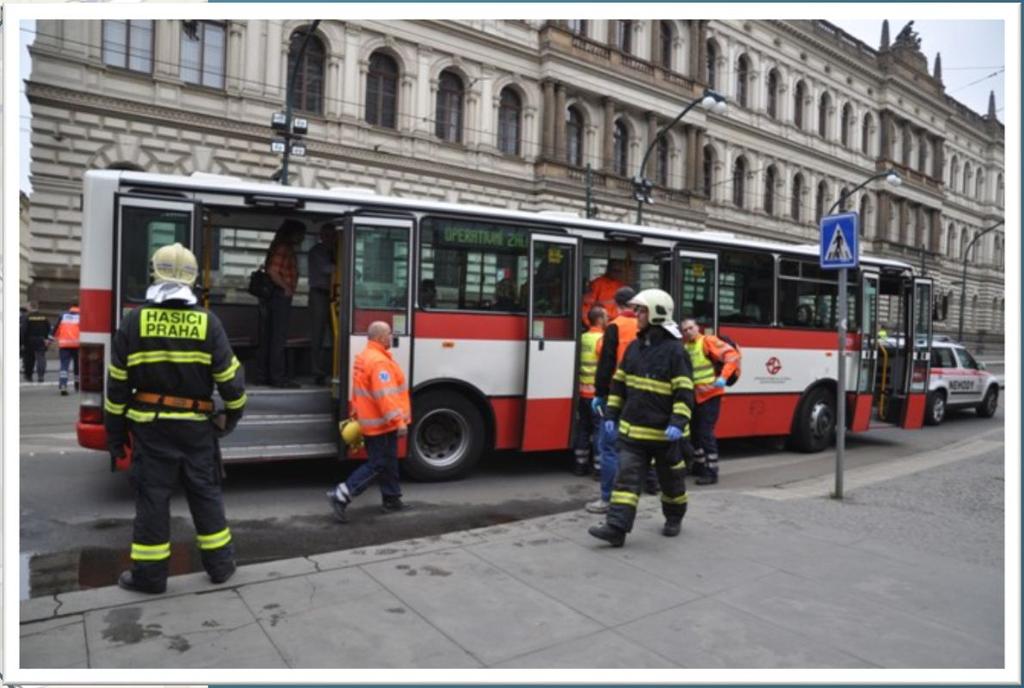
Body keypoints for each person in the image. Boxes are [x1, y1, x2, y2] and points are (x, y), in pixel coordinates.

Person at [105, 243, 246, 594]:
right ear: (193, 279)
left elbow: (117, 388)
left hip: (151, 429)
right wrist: (231, 417)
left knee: (153, 499)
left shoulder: (134, 321)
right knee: (206, 493)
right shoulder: (208, 323)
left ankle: (150, 577)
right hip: (197, 429)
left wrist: (115, 434)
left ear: (155, 273)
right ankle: (221, 566)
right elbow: (232, 383)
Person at [588, 289, 694, 547]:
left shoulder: (675, 352)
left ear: (657, 313)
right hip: (634, 432)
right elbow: (619, 384)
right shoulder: (635, 348)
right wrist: (611, 413)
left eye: (641, 310)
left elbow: (684, 392)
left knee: (672, 483)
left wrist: (677, 423)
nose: (636, 315)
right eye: (637, 310)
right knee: (626, 481)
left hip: (665, 435)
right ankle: (616, 529)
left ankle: (674, 518)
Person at [326, 320, 412, 522]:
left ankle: (391, 499)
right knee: (378, 463)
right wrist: (399, 421)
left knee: (389, 460)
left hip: (375, 421)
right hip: (381, 424)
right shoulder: (379, 362)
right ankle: (342, 494)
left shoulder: (367, 357)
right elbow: (386, 396)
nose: (392, 337)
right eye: (390, 333)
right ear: (381, 337)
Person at [586, 286, 638, 513]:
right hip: (642, 395)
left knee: (609, 447)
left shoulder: (615, 327)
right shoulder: (647, 325)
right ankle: (632, 496)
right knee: (635, 447)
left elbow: (606, 365)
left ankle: (607, 499)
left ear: (616, 305)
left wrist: (599, 393)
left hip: (616, 396)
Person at [681, 318, 741, 485]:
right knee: (695, 433)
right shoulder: (686, 347)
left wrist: (723, 377)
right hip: (696, 396)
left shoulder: (708, 341)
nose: (688, 331)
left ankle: (711, 471)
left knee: (706, 433)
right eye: (684, 330)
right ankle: (699, 466)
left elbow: (732, 356)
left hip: (711, 395)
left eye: (690, 328)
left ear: (697, 328)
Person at [258, 219, 305, 388]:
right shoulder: (284, 247)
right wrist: (286, 287)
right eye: (301, 234)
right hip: (279, 296)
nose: (302, 238)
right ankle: (277, 377)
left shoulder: (278, 246)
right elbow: (272, 270)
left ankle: (265, 375)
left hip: (275, 296)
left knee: (270, 337)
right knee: (278, 338)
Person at [573, 306, 606, 476]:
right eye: (605, 316)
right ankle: (599, 468)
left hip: (581, 392)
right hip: (595, 395)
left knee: (583, 428)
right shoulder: (601, 339)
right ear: (599, 319)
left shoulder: (583, 338)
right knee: (599, 430)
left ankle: (580, 464)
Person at [308, 223, 336, 385]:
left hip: (334, 296)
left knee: (335, 334)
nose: (331, 238)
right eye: (328, 235)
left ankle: (333, 367)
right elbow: (327, 269)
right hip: (319, 294)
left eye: (333, 235)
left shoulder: (335, 251)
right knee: (317, 333)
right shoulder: (317, 251)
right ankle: (315, 369)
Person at [582, 258, 627, 326]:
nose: (617, 273)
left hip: (618, 325)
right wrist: (590, 325)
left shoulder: (622, 286)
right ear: (608, 269)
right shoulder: (597, 284)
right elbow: (586, 306)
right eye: (615, 270)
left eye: (619, 271)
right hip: (601, 325)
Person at [52, 301, 81, 395]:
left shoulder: (63, 316)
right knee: (78, 366)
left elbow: (56, 329)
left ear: (70, 307)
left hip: (64, 345)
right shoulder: (82, 316)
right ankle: (77, 384)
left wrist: (50, 339)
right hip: (78, 345)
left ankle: (63, 385)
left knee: (64, 366)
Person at [22, 302, 52, 383]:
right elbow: (49, 328)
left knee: (29, 359)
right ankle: (41, 376)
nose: (27, 308)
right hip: (41, 340)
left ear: (31, 307)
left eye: (27, 306)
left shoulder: (27, 317)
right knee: (41, 358)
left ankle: (29, 376)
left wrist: (21, 342)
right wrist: (47, 339)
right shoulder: (44, 317)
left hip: (29, 341)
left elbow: (23, 331)